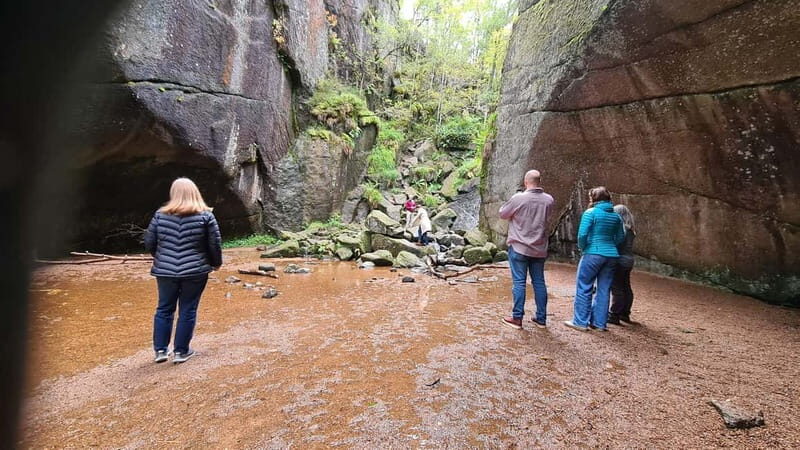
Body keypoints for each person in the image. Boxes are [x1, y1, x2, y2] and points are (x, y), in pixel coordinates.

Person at [144, 178, 222, 363]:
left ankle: (161, 351)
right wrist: (216, 263)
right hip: (195, 270)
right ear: (195, 192)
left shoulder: (160, 215)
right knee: (188, 309)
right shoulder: (206, 216)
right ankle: (181, 352)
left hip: (165, 271)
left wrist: (161, 258)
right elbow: (214, 244)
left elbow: (149, 243)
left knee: (164, 308)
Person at [499, 170, 554, 329]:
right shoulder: (549, 200)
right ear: (539, 181)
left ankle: (517, 318)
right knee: (539, 282)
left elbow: (503, 213)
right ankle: (541, 318)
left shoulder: (519, 198)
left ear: (525, 182)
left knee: (519, 282)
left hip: (519, 247)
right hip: (539, 248)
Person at [564, 186, 625, 332]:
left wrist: (584, 248)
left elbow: (582, 235)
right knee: (604, 289)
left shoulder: (590, 213)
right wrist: (610, 246)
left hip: (593, 253)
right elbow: (621, 237)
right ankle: (599, 323)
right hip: (611, 256)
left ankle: (580, 322)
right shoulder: (616, 216)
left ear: (593, 199)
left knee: (584, 286)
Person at [609, 204, 636, 325]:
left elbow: (618, 245)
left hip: (620, 260)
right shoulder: (631, 230)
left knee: (617, 287)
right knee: (626, 286)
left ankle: (614, 314)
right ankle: (625, 313)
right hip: (629, 260)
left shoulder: (622, 229)